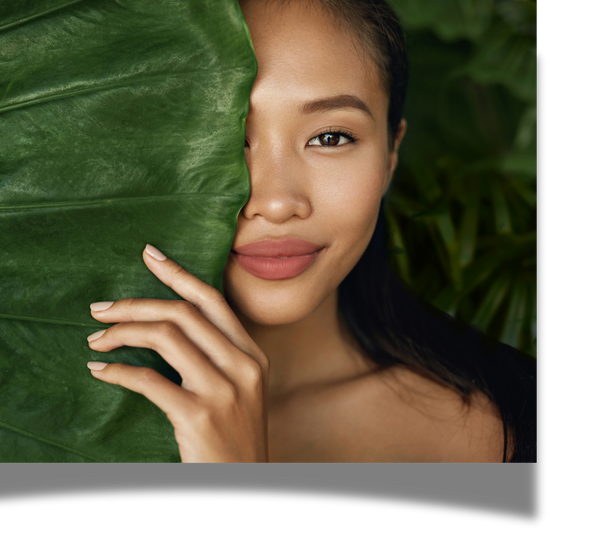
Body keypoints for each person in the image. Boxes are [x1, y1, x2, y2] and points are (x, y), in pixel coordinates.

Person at [84, 0, 537, 462]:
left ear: (389, 155)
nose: (277, 203)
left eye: (331, 137)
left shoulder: (516, 420)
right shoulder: (38, 414)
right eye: (223, 137)